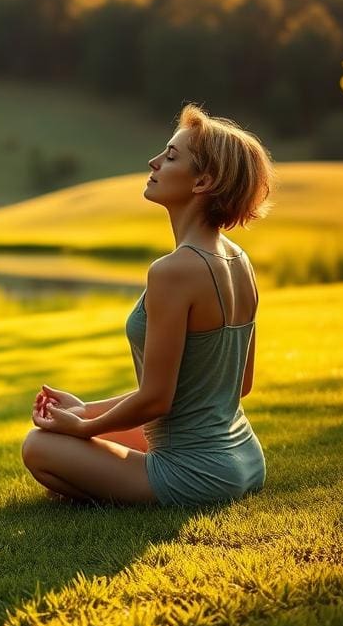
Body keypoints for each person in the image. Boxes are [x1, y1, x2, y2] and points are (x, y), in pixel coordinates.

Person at [21, 103, 276, 506]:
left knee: (39, 447)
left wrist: (83, 429)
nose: (154, 162)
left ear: (202, 182)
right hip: (245, 459)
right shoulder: (240, 261)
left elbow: (158, 398)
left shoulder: (173, 271)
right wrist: (85, 410)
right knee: (68, 435)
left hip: (198, 476)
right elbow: (238, 386)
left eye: (171, 156)